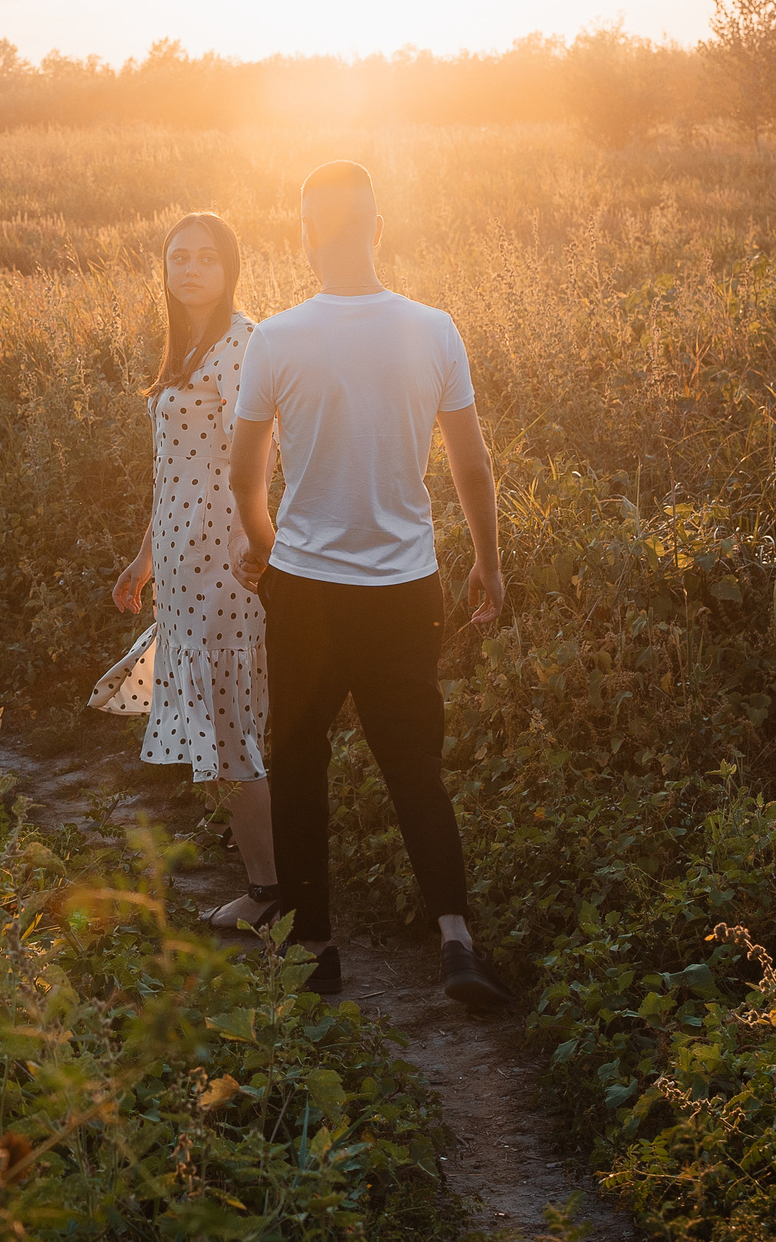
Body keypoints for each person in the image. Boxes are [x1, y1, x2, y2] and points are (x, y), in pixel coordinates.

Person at [229, 161, 510, 1009]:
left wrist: (269, 549)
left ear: (307, 231)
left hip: (306, 592)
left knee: (299, 763)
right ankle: (457, 941)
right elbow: (472, 464)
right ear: (379, 226)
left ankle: (314, 947)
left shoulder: (275, 338)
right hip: (405, 589)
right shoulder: (433, 329)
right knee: (416, 768)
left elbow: (245, 476)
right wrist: (490, 565)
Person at [90, 211, 277, 930]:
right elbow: (174, 472)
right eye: (179, 257)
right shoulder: (189, 348)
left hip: (226, 563)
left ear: (230, 268)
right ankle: (267, 880)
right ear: (165, 271)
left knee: (233, 729)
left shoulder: (243, 346)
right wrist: (143, 557)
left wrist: (256, 546)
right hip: (179, 561)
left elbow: (251, 465)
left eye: (206, 257)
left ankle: (271, 892)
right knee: (223, 728)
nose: (192, 268)